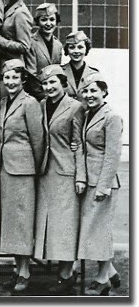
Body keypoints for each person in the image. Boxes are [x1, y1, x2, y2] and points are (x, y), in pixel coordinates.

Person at [33, 64, 85, 294]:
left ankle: (67, 273)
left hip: (66, 171)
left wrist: (80, 177)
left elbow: (79, 144)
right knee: (50, 224)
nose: (48, 87)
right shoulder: (42, 105)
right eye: (45, 84)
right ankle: (59, 270)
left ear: (63, 83)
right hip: (46, 170)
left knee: (66, 224)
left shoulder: (75, 108)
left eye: (53, 82)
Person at [0, 59, 44, 292]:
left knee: (23, 221)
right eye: (7, 78)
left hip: (24, 170)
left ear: (23, 79)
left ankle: (25, 271)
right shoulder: (4, 102)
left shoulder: (30, 103)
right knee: (12, 222)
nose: (11, 82)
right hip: (6, 169)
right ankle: (17, 268)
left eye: (15, 77)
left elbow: (38, 140)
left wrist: (35, 170)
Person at [77, 73, 122, 296]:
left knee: (99, 231)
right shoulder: (88, 114)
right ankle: (110, 271)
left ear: (104, 91)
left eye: (94, 90)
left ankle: (102, 278)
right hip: (90, 181)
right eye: (85, 91)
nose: (89, 95)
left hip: (103, 183)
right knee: (93, 230)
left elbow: (113, 155)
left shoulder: (111, 116)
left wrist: (103, 186)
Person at [0, 0, 33, 96]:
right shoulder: (6, 7)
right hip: (1, 64)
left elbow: (24, 46)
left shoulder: (21, 13)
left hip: (13, 69)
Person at [25, 3, 63, 100]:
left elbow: (57, 73)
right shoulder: (31, 42)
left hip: (53, 95)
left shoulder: (58, 45)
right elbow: (31, 76)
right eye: (44, 20)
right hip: (35, 96)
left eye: (52, 19)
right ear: (38, 22)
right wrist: (46, 97)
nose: (48, 23)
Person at [61, 31, 99, 101]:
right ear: (67, 50)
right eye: (72, 47)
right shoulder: (59, 72)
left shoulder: (94, 74)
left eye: (80, 47)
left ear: (86, 49)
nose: (76, 51)